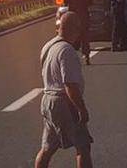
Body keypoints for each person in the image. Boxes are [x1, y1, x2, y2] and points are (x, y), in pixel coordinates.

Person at [35, 10, 93, 168]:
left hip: (48, 101)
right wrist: (81, 109)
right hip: (64, 102)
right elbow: (70, 85)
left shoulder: (48, 46)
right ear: (73, 29)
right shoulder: (67, 51)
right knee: (83, 146)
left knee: (47, 148)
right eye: (78, 29)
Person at [61, 0, 93, 65]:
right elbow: (90, 3)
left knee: (72, 39)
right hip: (83, 19)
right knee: (85, 39)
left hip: (73, 19)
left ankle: (71, 58)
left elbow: (65, 2)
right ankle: (87, 57)